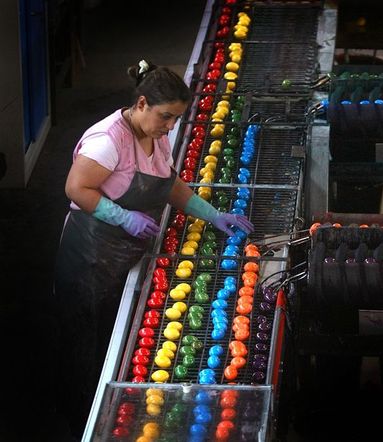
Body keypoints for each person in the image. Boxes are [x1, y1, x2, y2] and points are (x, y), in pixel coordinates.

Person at [53, 60, 254, 438]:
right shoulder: (108, 140)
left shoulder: (155, 134)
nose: (170, 127)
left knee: (111, 336)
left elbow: (169, 184)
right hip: (89, 255)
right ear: (141, 103)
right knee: (81, 342)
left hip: (123, 254)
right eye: (166, 117)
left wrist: (212, 214)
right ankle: (79, 421)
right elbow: (77, 188)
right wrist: (123, 217)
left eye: (176, 119)